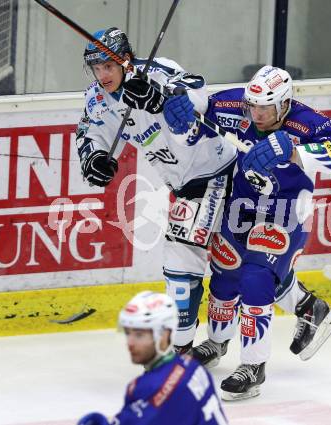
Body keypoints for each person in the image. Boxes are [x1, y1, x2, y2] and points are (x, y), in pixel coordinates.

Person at [163, 65, 331, 400]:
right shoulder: (239, 105)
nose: (256, 114)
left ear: (285, 104)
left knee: (256, 279)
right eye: (252, 106)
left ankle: (253, 366)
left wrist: (291, 151)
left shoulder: (309, 122)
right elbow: (202, 103)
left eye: (265, 108)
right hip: (239, 207)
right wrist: (181, 102)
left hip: (285, 213)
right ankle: (218, 342)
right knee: (224, 277)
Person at [76, 27, 237, 354]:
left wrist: (160, 98)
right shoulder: (97, 99)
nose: (102, 74)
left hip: (219, 171)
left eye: (108, 66)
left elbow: (197, 92)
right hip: (185, 185)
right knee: (189, 269)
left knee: (203, 267)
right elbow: (92, 135)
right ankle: (191, 348)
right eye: (96, 68)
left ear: (124, 61)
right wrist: (94, 159)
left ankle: (187, 350)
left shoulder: (157, 70)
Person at [77, 291, 228, 424]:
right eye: (128, 333)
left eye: (139, 335)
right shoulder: (191, 365)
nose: (130, 343)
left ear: (164, 335)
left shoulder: (151, 387)